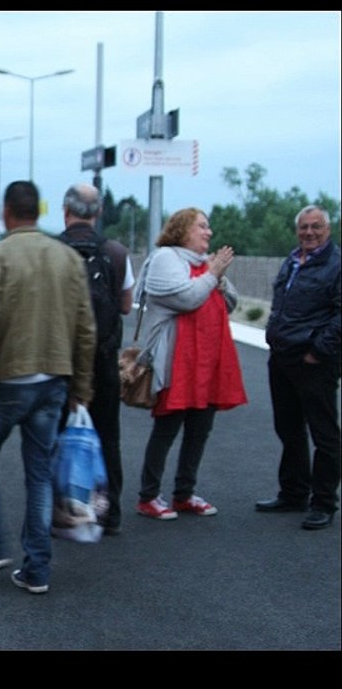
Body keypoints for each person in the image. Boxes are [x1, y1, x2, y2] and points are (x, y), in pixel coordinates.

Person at [0, 180, 96, 594]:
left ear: (6, 211)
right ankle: (37, 569)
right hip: (53, 381)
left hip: (7, 383)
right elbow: (85, 329)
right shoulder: (67, 258)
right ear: (40, 210)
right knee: (39, 475)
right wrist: (82, 387)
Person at [133, 207, 247, 521]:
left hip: (208, 361)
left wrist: (217, 277)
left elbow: (230, 302)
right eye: (202, 226)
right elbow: (187, 298)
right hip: (177, 362)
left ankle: (184, 493)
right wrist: (214, 274)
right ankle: (148, 496)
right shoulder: (166, 259)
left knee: (200, 430)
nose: (209, 233)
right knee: (167, 428)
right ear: (182, 229)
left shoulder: (205, 264)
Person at [256, 205, 340, 530]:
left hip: (313, 361)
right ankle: (293, 493)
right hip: (282, 357)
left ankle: (324, 503)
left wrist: (319, 350)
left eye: (316, 227)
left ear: (328, 229)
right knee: (288, 428)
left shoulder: (335, 265)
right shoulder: (292, 261)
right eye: (303, 227)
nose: (309, 232)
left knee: (325, 434)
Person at [57, 183, 134, 535]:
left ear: (65, 210)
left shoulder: (52, 251)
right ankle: (109, 511)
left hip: (60, 360)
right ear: (99, 212)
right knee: (107, 435)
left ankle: (62, 509)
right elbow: (125, 306)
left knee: (57, 435)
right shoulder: (116, 252)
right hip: (103, 359)